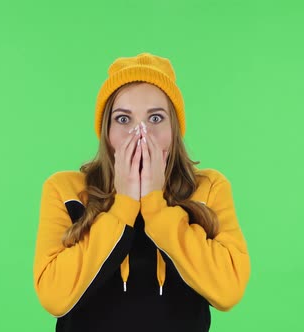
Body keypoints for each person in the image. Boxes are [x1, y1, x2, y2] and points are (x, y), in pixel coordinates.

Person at [33, 52, 251, 332]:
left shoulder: (209, 189)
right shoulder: (65, 190)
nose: (140, 133)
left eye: (156, 118)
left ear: (174, 129)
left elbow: (228, 290)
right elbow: (54, 297)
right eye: (123, 120)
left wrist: (154, 204)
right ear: (106, 132)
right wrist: (123, 203)